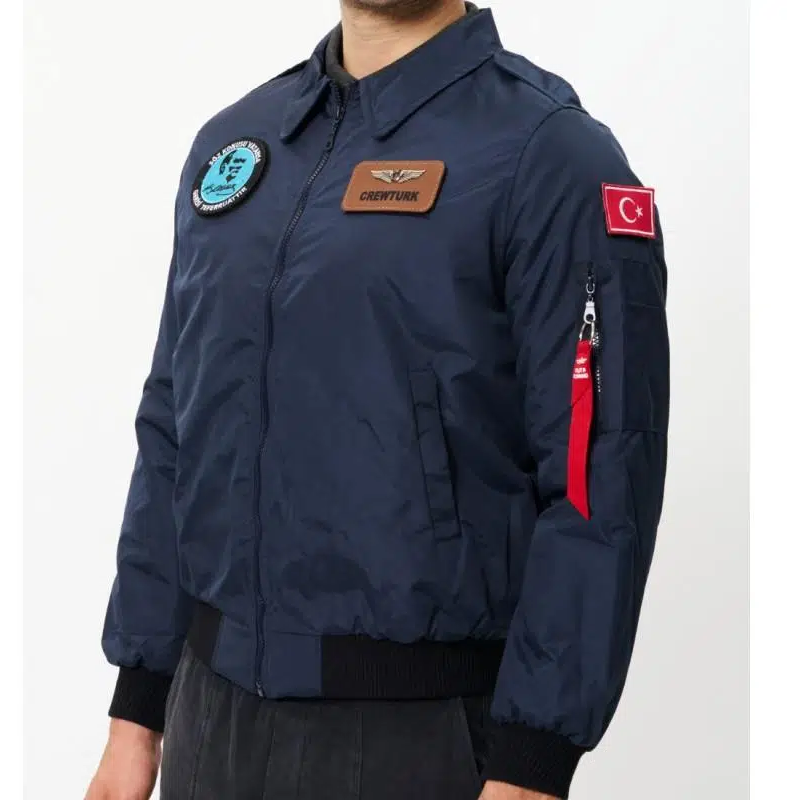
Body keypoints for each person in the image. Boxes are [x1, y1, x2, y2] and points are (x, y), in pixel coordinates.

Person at [85, 1, 669, 798]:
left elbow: (599, 479)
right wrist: (136, 709)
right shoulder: (238, 145)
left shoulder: (552, 157)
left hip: (418, 733)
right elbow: (173, 427)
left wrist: (533, 764)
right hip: (208, 718)